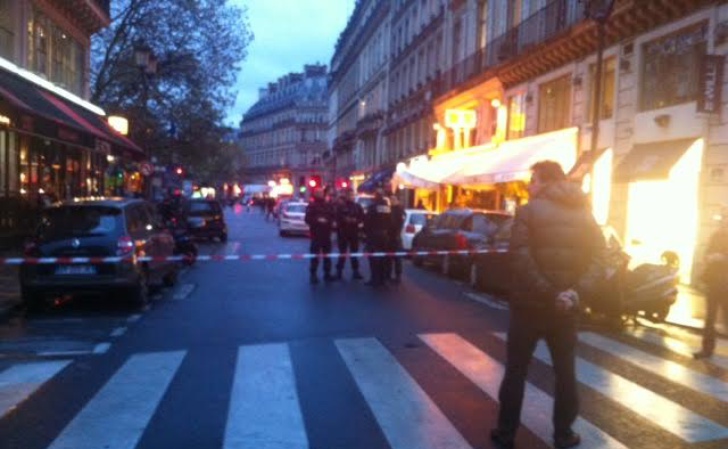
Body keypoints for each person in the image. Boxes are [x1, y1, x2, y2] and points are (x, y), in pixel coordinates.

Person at [491, 161, 606, 449]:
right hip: (565, 310)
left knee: (516, 371)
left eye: (534, 180)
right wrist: (574, 293)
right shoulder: (586, 214)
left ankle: (506, 434)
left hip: (530, 306)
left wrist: (549, 291)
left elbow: (519, 256)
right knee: (565, 372)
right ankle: (564, 435)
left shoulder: (528, 212)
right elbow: (600, 258)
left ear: (546, 182)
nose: (530, 186)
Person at [694, 208, 728, 359]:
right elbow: (706, 254)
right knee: (710, 318)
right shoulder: (715, 235)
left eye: (724, 218)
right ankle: (706, 349)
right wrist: (709, 257)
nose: (722, 222)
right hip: (714, 282)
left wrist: (722, 257)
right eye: (722, 219)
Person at [363, 186, 392, 287]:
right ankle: (383, 279)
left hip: (374, 236)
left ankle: (374, 279)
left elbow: (367, 222)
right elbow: (390, 222)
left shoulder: (372, 207)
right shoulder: (387, 208)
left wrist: (366, 234)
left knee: (373, 258)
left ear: (375, 196)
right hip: (385, 236)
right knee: (383, 257)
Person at [305, 188, 335, 284]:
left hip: (326, 234)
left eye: (321, 193)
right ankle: (313, 275)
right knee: (315, 257)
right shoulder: (312, 206)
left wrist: (330, 222)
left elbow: (332, 217)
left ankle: (327, 274)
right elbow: (307, 219)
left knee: (327, 256)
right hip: (316, 234)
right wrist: (318, 220)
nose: (320, 194)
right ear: (315, 194)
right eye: (318, 193)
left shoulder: (328, 206)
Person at [334, 189, 365, 280]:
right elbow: (337, 218)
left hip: (354, 232)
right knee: (342, 253)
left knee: (354, 253)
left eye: (353, 195)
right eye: (350, 195)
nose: (352, 197)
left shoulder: (358, 207)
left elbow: (362, 218)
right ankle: (339, 271)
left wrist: (356, 221)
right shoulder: (341, 207)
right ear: (346, 196)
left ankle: (355, 271)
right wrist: (345, 220)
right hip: (343, 232)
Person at [386, 193, 406, 283]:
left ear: (397, 200)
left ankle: (398, 276)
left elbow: (400, 224)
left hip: (396, 238)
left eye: (394, 199)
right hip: (389, 237)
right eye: (391, 199)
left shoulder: (400, 210)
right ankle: (388, 275)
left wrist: (397, 235)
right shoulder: (389, 209)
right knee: (389, 258)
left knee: (397, 258)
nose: (392, 201)